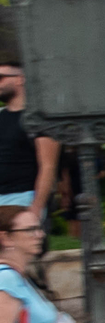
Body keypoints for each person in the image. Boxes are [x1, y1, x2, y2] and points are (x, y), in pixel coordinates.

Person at [0, 61, 60, 227]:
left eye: (1, 78)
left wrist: (36, 208)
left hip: (23, 198)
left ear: (20, 79)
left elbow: (48, 166)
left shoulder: (39, 119)